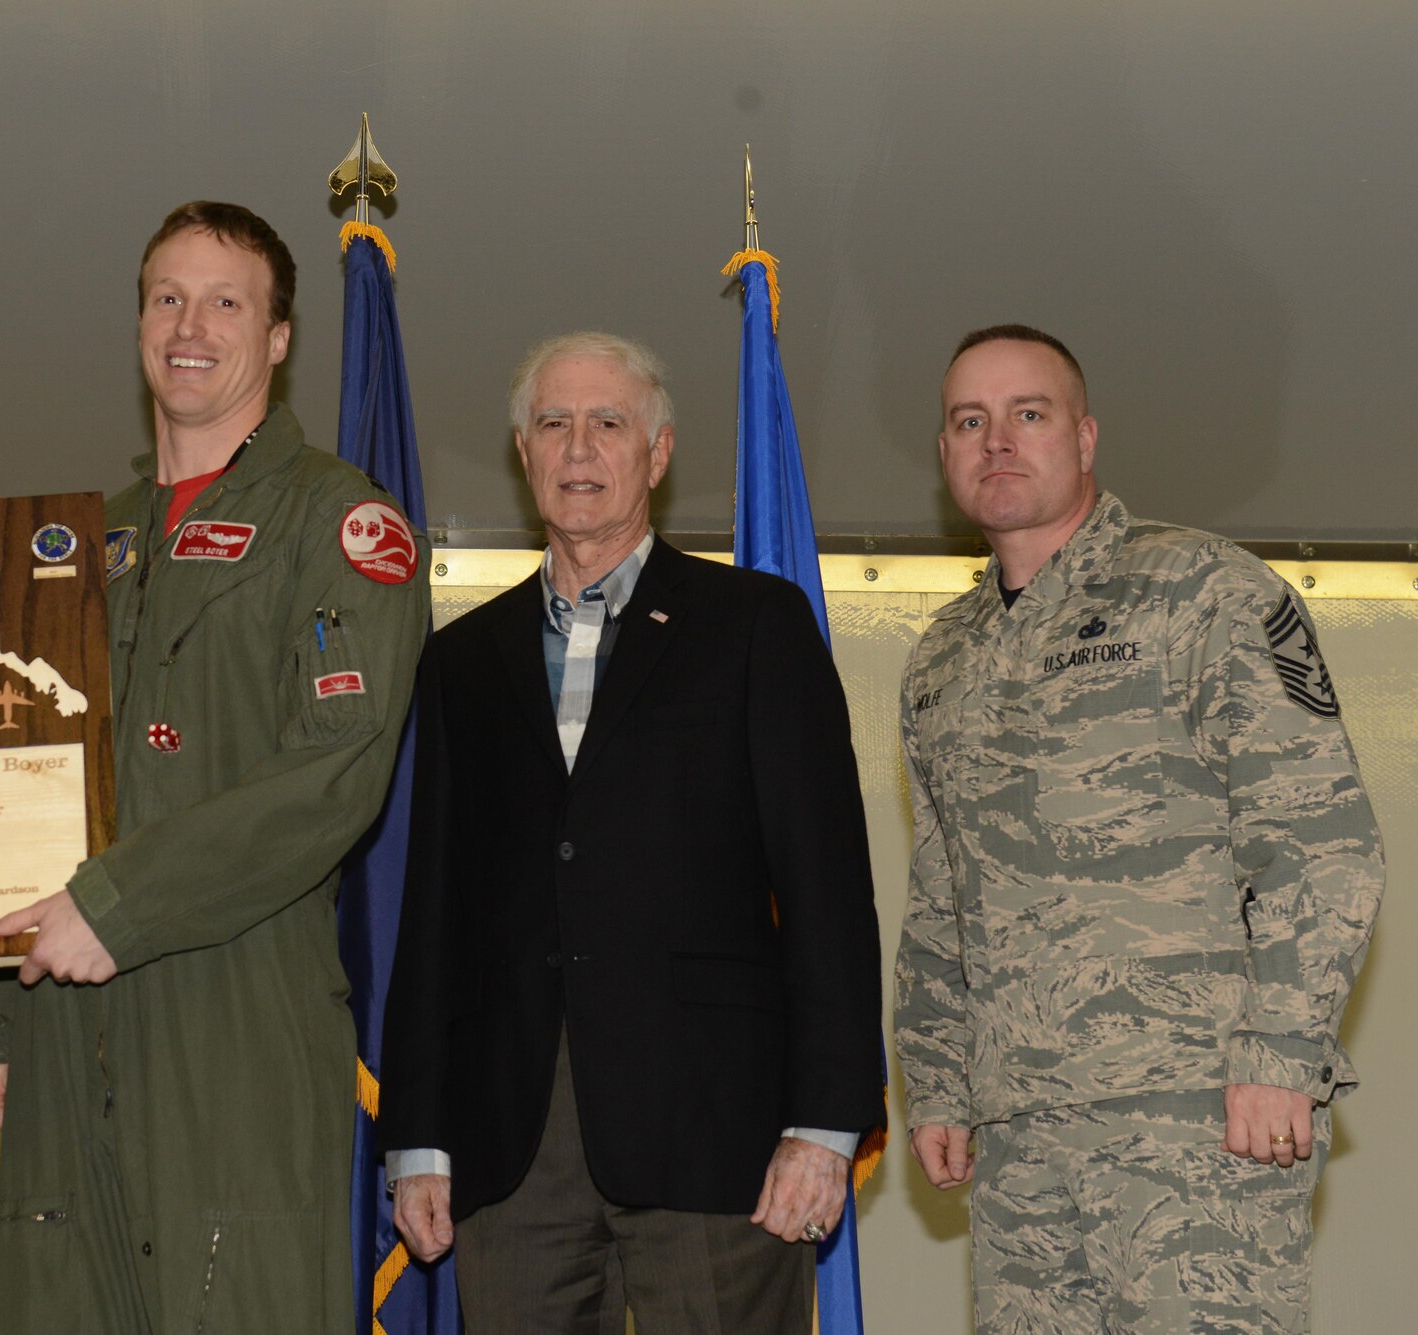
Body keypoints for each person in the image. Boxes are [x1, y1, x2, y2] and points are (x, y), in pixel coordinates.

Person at [0, 201, 430, 1333]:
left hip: (236, 1019)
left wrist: (112, 906)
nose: (191, 324)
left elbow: (333, 773)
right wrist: (9, 1030)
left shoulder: (338, 522)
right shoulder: (77, 542)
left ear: (277, 339)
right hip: (64, 1030)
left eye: (226, 301)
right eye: (166, 297)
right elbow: (28, 786)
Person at [378, 331, 884, 1332]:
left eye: (606, 423)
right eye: (552, 425)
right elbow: (429, 911)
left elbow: (826, 888)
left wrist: (825, 1123)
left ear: (656, 454)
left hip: (715, 1133)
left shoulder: (753, 625)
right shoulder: (458, 662)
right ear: (521, 455)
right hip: (509, 1141)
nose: (578, 448)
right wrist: (419, 1138)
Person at [895, 325, 1384, 1334]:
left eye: (1025, 415)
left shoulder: (1199, 591)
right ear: (942, 454)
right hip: (1020, 1133)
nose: (996, 441)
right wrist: (938, 1079)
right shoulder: (943, 657)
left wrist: (1277, 1054)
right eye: (967, 422)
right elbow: (943, 891)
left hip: (1196, 1113)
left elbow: (1316, 835)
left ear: (1081, 438)